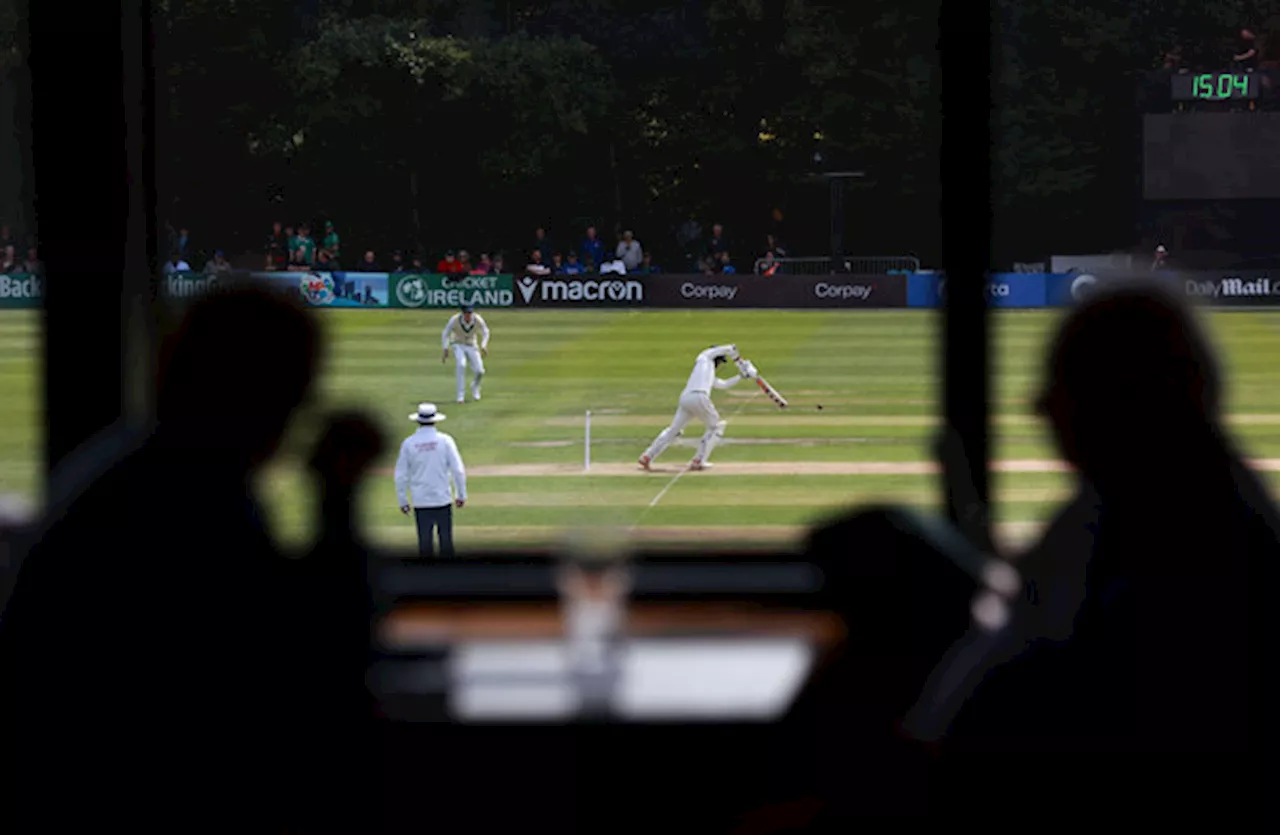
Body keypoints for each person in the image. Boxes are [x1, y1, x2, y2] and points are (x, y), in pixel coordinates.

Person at [638, 344, 757, 472]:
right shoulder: (704, 357)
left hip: (686, 398)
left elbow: (724, 384)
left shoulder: (707, 371)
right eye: (719, 360)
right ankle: (699, 460)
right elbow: (730, 348)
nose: (719, 364)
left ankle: (647, 456)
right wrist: (739, 362)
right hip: (699, 396)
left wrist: (741, 376)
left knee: (673, 430)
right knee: (716, 427)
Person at [396, 403, 468, 558]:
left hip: (421, 500)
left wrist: (402, 500)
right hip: (442, 498)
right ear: (435, 420)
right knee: (446, 542)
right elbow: (458, 470)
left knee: (425, 544)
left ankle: (425, 578)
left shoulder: (409, 443)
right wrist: (461, 495)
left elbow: (401, 475)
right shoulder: (445, 441)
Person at [442, 303, 490, 404]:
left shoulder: (477, 319)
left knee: (480, 371)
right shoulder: (455, 319)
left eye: (470, 313)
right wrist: (445, 347)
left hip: (472, 345)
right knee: (461, 365)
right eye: (466, 313)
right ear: (462, 313)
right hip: (458, 344)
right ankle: (460, 396)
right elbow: (446, 332)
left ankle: (475, 387)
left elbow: (485, 331)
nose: (468, 315)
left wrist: (483, 345)